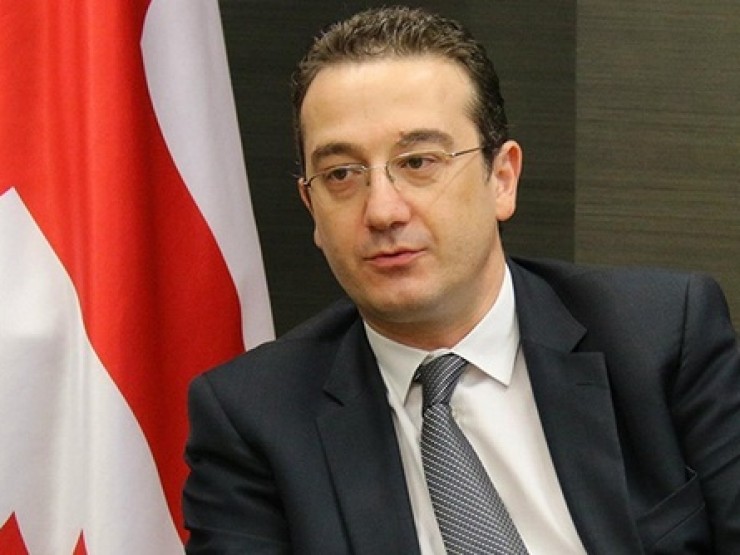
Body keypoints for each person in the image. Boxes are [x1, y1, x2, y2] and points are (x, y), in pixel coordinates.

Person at [182, 6, 740, 554]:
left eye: (418, 162)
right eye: (342, 174)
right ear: (312, 208)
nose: (383, 211)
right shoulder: (254, 418)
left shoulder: (662, 338)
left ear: (502, 179)